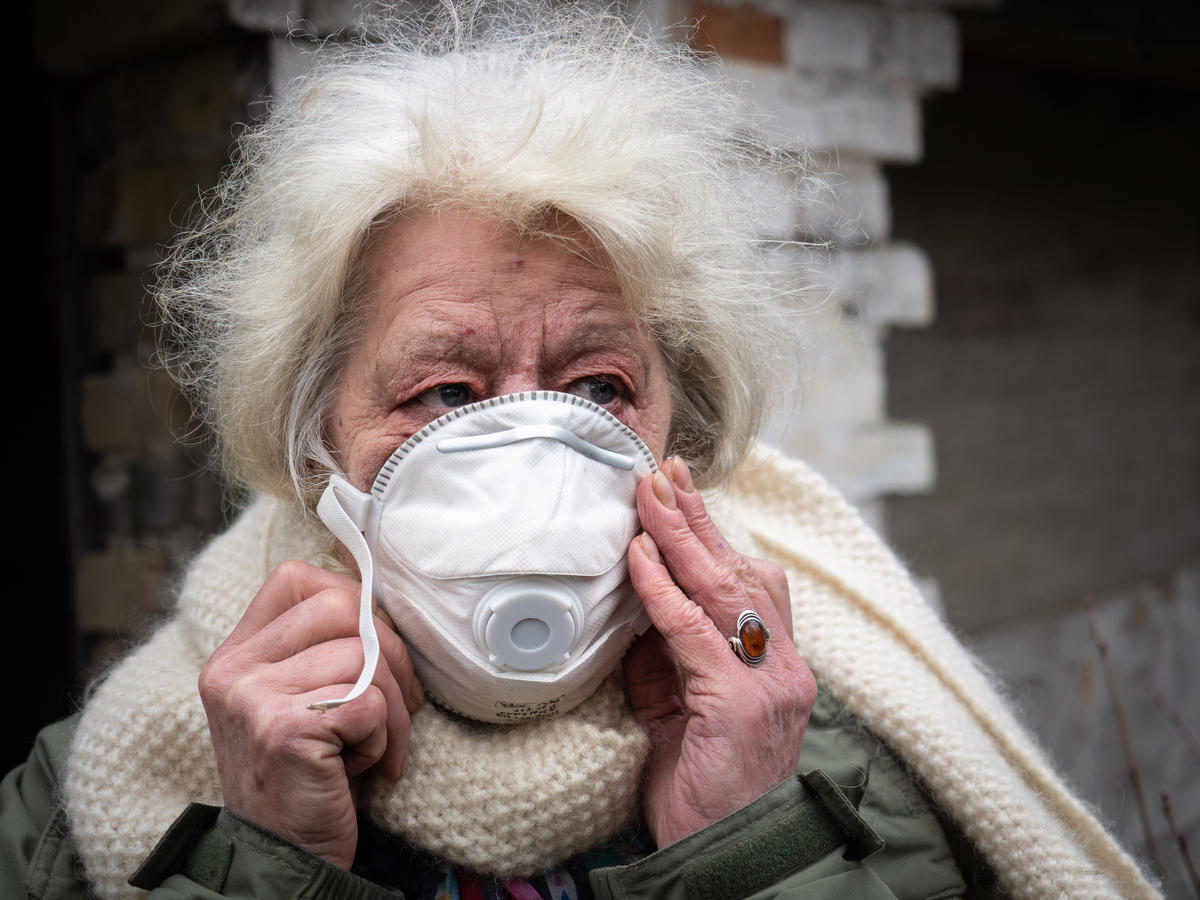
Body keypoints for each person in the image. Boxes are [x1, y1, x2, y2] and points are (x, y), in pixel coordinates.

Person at [1, 5, 1159, 899]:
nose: (527, 446)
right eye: (445, 392)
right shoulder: (98, 796)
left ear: (681, 435)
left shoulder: (843, 750)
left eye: (600, 387)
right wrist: (264, 859)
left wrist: (752, 839)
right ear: (320, 449)